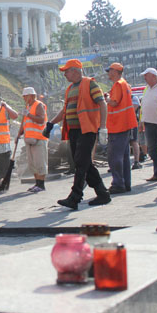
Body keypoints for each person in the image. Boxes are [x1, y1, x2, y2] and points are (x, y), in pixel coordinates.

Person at [47, 59, 111, 210]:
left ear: (75, 71)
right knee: (84, 163)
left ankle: (75, 197)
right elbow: (65, 110)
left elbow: (102, 103)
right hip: (74, 131)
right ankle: (103, 194)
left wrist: (102, 128)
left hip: (87, 129)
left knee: (81, 162)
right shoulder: (70, 89)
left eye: (66, 71)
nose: (64, 75)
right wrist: (51, 123)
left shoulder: (90, 84)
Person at [104, 63, 138, 194]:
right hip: (124, 124)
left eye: (110, 71)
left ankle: (118, 183)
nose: (108, 74)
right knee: (123, 157)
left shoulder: (118, 84)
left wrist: (106, 99)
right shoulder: (124, 84)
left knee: (115, 157)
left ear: (115, 72)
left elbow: (114, 102)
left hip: (118, 125)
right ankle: (125, 183)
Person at [19, 87, 48, 193]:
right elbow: (24, 123)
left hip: (39, 138)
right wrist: (19, 134)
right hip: (29, 139)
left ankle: (41, 185)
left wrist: (29, 114)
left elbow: (41, 120)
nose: (24, 98)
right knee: (32, 163)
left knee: (40, 162)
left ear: (31, 96)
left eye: (25, 96)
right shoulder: (27, 107)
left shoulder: (38, 105)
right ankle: (37, 183)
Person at [130, 95, 143, 169]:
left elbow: (134, 109)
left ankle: (136, 162)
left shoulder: (133, 98)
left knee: (134, 141)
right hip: (120, 123)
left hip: (132, 123)